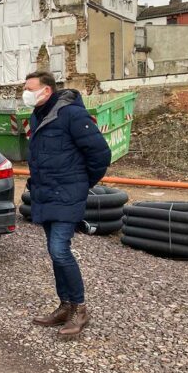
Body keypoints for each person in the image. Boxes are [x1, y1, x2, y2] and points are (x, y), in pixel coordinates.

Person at [23, 71, 111, 338]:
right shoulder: (38, 116)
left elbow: (100, 153)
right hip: (46, 194)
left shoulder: (72, 115)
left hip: (67, 194)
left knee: (60, 250)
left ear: (46, 91)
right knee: (54, 251)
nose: (25, 92)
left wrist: (81, 183)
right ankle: (66, 306)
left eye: (30, 88)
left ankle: (81, 309)